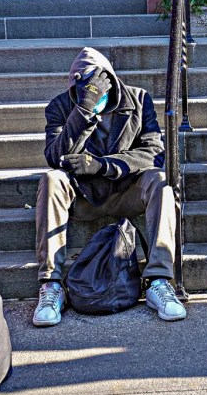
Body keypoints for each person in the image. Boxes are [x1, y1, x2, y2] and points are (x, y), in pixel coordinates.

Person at [31, 47, 185, 326]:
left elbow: (153, 152)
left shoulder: (138, 100)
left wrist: (103, 165)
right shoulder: (60, 106)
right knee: (51, 179)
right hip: (83, 195)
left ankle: (159, 280)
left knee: (160, 182)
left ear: (111, 82)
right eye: (83, 92)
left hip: (126, 190)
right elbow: (55, 157)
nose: (93, 97)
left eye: (97, 92)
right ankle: (51, 284)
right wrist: (83, 110)